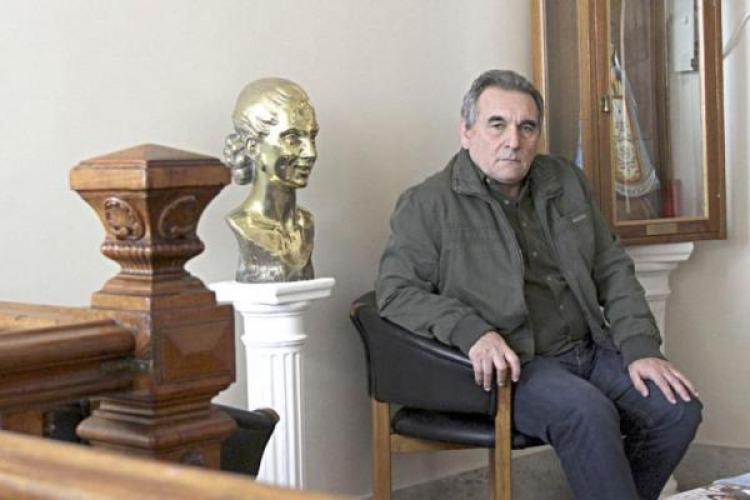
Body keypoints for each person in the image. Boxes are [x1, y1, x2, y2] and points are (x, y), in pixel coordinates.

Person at [375, 69, 701, 500]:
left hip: (590, 348)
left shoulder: (565, 180)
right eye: (497, 125)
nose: (513, 141)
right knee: (586, 412)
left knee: (677, 408)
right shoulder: (427, 203)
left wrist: (641, 347)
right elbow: (396, 292)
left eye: (527, 127)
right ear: (466, 132)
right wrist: (473, 332)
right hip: (520, 365)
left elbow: (612, 268)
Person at [223, 77, 319, 283]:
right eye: (293, 139)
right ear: (253, 147)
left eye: (312, 137)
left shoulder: (306, 223)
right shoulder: (244, 224)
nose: (311, 152)